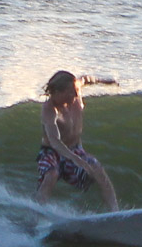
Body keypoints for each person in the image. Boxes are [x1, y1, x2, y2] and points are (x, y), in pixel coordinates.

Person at [36, 69, 121, 211]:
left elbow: (86, 79)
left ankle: (115, 212)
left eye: (76, 90)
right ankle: (35, 218)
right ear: (58, 92)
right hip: (51, 152)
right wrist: (78, 160)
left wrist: (106, 81)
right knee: (51, 175)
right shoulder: (49, 109)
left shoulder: (75, 89)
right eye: (71, 92)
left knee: (98, 169)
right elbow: (55, 141)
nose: (76, 94)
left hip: (75, 149)